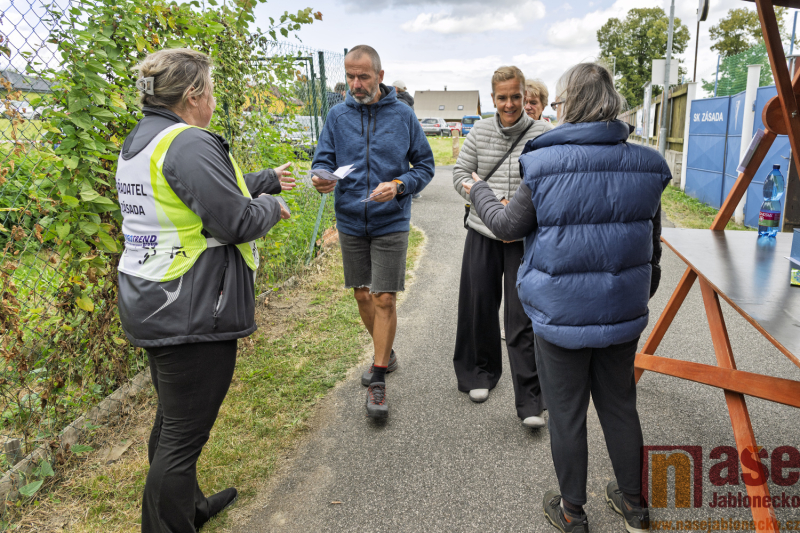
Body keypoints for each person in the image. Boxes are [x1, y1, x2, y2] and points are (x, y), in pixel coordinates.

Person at [463, 62, 670, 533]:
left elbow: (507, 227)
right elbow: (651, 242)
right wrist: (643, 290)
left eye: (557, 101)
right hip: (623, 310)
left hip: (560, 315)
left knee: (567, 413)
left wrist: (478, 189)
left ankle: (573, 512)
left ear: (569, 104)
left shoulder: (543, 163)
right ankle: (635, 506)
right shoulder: (649, 163)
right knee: (620, 405)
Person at [116, 48, 294, 533]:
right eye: (211, 91)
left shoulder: (145, 138)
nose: (214, 101)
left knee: (173, 422)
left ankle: (189, 507)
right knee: (181, 437)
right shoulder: (189, 141)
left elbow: (199, 191)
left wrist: (265, 180)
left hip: (153, 296)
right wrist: (269, 207)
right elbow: (234, 219)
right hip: (191, 308)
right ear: (193, 95)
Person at [311, 45, 434, 419]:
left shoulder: (403, 115)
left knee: (384, 299)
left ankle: (378, 377)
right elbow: (322, 160)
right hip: (350, 220)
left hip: (390, 221)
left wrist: (398, 185)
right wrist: (320, 177)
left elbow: (425, 166)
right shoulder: (337, 116)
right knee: (363, 295)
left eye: (363, 76)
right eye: (350, 76)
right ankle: (386, 352)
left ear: (380, 76)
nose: (355, 84)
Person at [452, 66, 552, 429]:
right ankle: (478, 373)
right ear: (492, 98)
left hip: (525, 238)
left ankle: (531, 398)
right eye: (502, 97)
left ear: (525, 95)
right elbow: (460, 175)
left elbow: (551, 182)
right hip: (483, 232)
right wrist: (492, 204)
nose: (509, 104)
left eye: (515, 96)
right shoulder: (479, 131)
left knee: (523, 317)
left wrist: (520, 211)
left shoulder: (543, 133)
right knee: (478, 305)